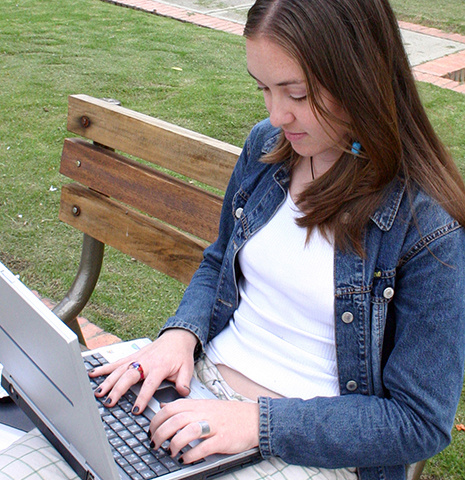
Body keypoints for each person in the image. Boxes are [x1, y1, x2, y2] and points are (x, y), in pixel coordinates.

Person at [2, 0, 463, 479]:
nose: (278, 114)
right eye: (263, 88)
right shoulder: (267, 148)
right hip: (196, 391)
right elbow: (219, 260)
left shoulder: (429, 225)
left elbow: (420, 422)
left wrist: (255, 423)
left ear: (361, 76)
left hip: (301, 447)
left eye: (298, 93)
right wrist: (179, 336)